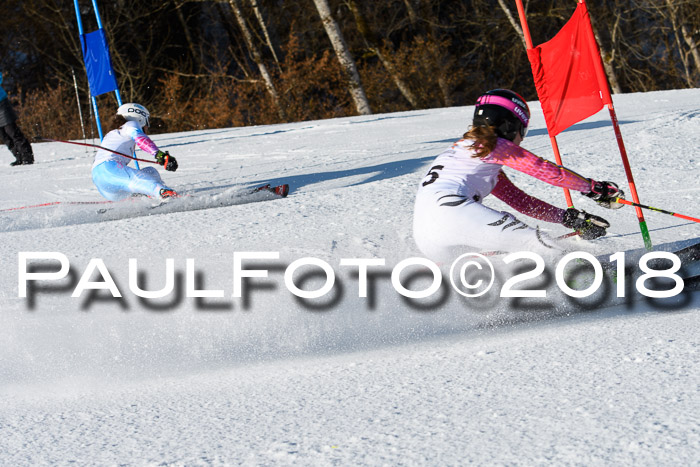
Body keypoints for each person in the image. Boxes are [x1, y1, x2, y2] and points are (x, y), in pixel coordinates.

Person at [413, 89, 624, 262]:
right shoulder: (495, 145)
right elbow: (547, 171)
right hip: (452, 212)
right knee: (538, 243)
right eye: (522, 131)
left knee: (508, 255)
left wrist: (569, 218)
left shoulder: (468, 154)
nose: (521, 139)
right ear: (509, 125)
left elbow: (520, 201)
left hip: (426, 235)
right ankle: (601, 282)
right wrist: (595, 189)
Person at [92, 103, 179, 201]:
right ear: (140, 119)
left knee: (151, 172)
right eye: (147, 121)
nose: (147, 126)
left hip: (102, 182)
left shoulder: (116, 133)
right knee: (137, 180)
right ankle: (162, 192)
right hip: (109, 169)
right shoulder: (131, 125)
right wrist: (160, 155)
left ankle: (141, 198)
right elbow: (141, 139)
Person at [0, 72, 35, 166]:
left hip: (1, 104)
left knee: (11, 131)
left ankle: (27, 156)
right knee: (4, 136)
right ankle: (18, 156)